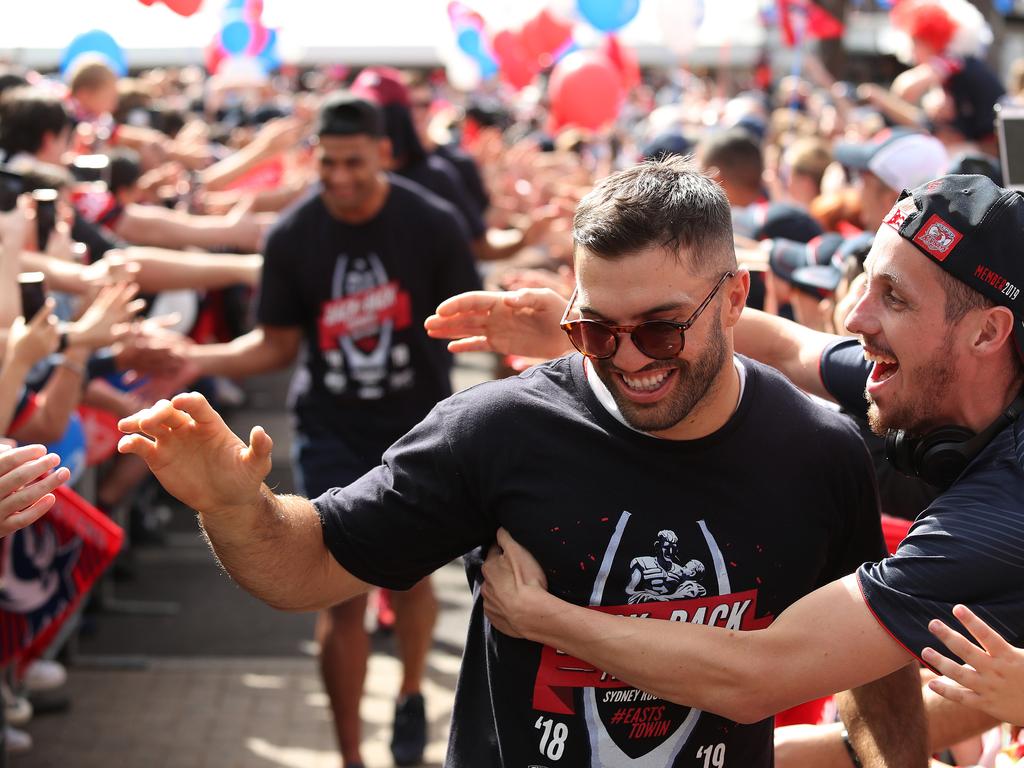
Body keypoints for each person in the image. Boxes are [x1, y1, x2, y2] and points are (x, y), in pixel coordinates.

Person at [117, 157, 922, 767]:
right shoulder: (499, 430)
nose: (628, 358)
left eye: (661, 327)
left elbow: (877, 673)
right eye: (596, 330)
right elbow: (311, 566)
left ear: (737, 297)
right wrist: (232, 507)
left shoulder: (817, 453)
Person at [446, 173, 1024, 766]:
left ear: (987, 331)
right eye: (866, 286)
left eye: (894, 297)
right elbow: (791, 349)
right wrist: (616, 331)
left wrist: (544, 618)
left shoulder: (1001, 513)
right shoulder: (945, 360)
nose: (854, 318)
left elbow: (758, 675)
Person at [165, 90, 479, 768]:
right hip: (331, 429)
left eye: (354, 164)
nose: (338, 178)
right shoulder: (295, 234)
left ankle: (412, 694)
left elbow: (464, 326)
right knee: (340, 597)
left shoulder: (432, 223)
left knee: (414, 581)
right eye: (327, 164)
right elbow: (275, 344)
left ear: (386, 155)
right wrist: (196, 358)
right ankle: (350, 757)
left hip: (415, 427)